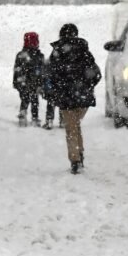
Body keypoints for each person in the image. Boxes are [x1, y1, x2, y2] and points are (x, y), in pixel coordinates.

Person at [44, 24, 102, 174]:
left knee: (71, 128)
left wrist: (56, 90)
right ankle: (79, 154)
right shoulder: (85, 52)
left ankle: (75, 160)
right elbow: (96, 74)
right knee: (75, 125)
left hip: (66, 97)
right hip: (83, 97)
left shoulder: (57, 53)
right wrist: (87, 86)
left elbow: (51, 75)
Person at [12, 32, 44, 127]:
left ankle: (23, 114)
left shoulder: (21, 55)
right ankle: (34, 118)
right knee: (34, 100)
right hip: (35, 82)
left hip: (22, 82)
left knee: (25, 98)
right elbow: (42, 71)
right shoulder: (39, 55)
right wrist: (41, 83)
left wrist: (16, 82)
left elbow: (16, 70)